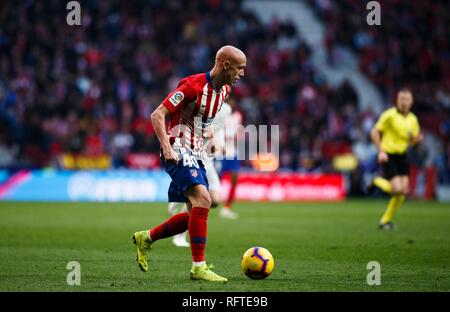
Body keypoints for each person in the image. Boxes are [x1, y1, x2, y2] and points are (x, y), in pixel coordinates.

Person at [132, 45, 246, 282]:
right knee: (204, 199)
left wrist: (212, 137)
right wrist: (165, 145)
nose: (242, 74)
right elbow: (157, 114)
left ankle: (147, 237)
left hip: (196, 151)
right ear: (225, 65)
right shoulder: (193, 87)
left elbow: (206, 120)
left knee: (198, 210)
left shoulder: (223, 91)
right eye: (239, 68)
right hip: (176, 148)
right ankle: (198, 267)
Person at [369, 88, 423, 230]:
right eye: (401, 99)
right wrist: (380, 151)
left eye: (407, 99)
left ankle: (385, 221)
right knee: (397, 189)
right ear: (397, 100)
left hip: (402, 156)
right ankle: (375, 181)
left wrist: (417, 140)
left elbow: (413, 140)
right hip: (389, 155)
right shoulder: (389, 115)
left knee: (403, 192)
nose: (404, 102)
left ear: (411, 102)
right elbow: (374, 132)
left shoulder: (413, 119)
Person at [218, 97, 242, 219]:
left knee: (234, 179)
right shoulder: (220, 115)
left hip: (232, 153)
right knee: (217, 181)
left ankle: (227, 208)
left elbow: (238, 133)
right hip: (220, 153)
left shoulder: (237, 116)